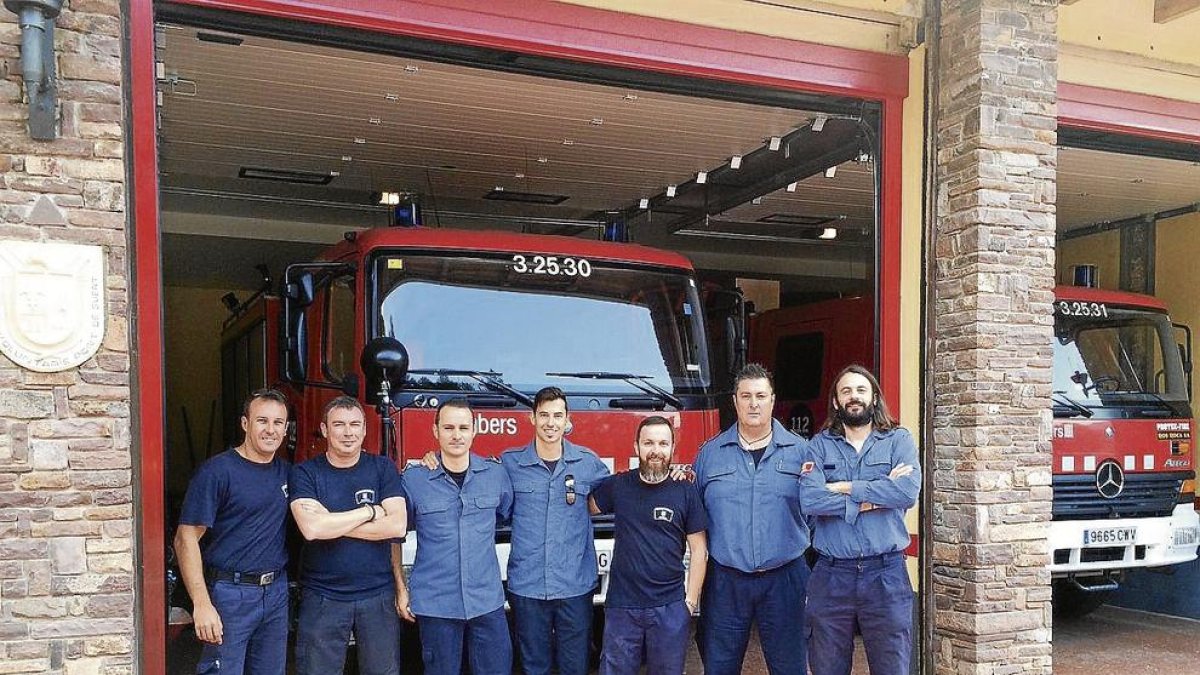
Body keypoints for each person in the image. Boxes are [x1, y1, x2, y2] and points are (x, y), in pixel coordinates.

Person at [799, 364, 920, 675]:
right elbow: (811, 499)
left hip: (886, 574)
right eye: (846, 391)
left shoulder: (899, 441)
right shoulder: (818, 445)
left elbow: (906, 492)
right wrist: (875, 497)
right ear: (837, 402)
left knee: (892, 667)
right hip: (831, 575)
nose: (854, 397)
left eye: (861, 390)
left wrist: (849, 487)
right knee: (827, 667)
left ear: (874, 398)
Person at [693, 363, 810, 675]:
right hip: (726, 581)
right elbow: (694, 513)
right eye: (746, 396)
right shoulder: (710, 454)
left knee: (790, 667)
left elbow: (815, 510)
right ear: (735, 401)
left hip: (785, 578)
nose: (753, 403)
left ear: (773, 400)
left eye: (761, 395)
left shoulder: (802, 452)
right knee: (719, 667)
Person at [174, 388, 292, 675]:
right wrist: (201, 604)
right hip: (229, 594)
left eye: (278, 423)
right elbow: (185, 539)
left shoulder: (288, 473)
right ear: (244, 424)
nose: (270, 429)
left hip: (276, 592)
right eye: (262, 421)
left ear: (286, 429)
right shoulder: (217, 472)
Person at [289, 396, 407, 675]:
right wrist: (370, 511)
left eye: (355, 424)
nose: (348, 432)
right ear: (325, 429)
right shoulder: (305, 473)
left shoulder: (382, 468)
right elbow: (312, 529)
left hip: (377, 595)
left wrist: (331, 521)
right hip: (322, 597)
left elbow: (397, 526)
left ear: (365, 430)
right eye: (339, 424)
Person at [396, 398, 515, 675]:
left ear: (475, 430)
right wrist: (401, 589)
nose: (456, 435)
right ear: (435, 431)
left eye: (463, 427)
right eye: (448, 427)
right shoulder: (414, 480)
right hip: (437, 604)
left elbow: (506, 515)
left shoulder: (496, 475)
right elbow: (395, 535)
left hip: (486, 601)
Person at [589, 415, 708, 675]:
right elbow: (584, 507)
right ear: (636, 447)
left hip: (669, 607)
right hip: (622, 606)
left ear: (672, 448)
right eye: (649, 443)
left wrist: (689, 602)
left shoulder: (685, 491)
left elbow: (699, 550)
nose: (656, 450)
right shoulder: (618, 486)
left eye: (663, 444)